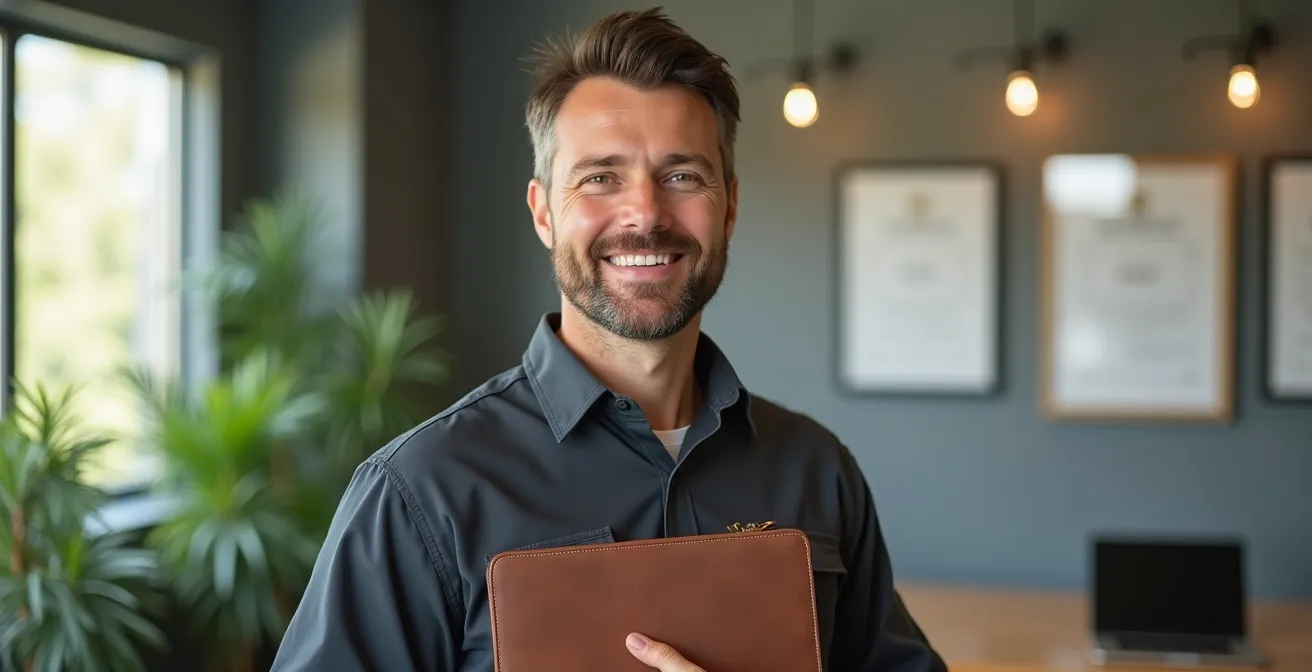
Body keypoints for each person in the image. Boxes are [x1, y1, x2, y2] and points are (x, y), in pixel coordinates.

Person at [271, 7, 947, 672]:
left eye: (682, 176)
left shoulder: (816, 471)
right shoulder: (420, 491)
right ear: (543, 211)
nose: (646, 213)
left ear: (730, 207)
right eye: (601, 178)